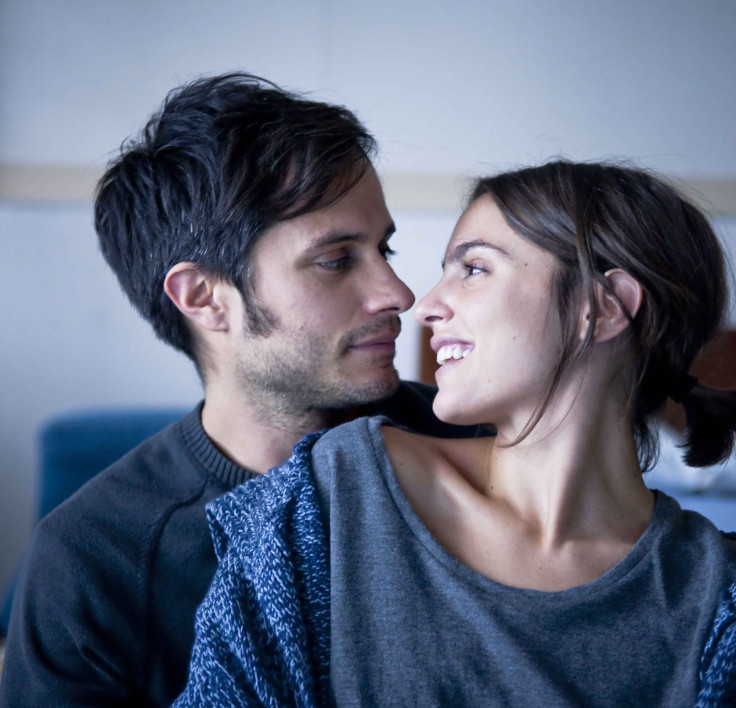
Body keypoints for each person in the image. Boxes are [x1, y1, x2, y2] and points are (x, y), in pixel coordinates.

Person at [175, 160, 736, 706]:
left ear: (601, 307)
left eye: (473, 269)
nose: (425, 308)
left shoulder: (717, 598)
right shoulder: (331, 497)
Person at [0, 73, 483, 707]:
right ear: (203, 298)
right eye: (336, 260)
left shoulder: (477, 446)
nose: (397, 294)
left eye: (384, 249)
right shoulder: (91, 560)